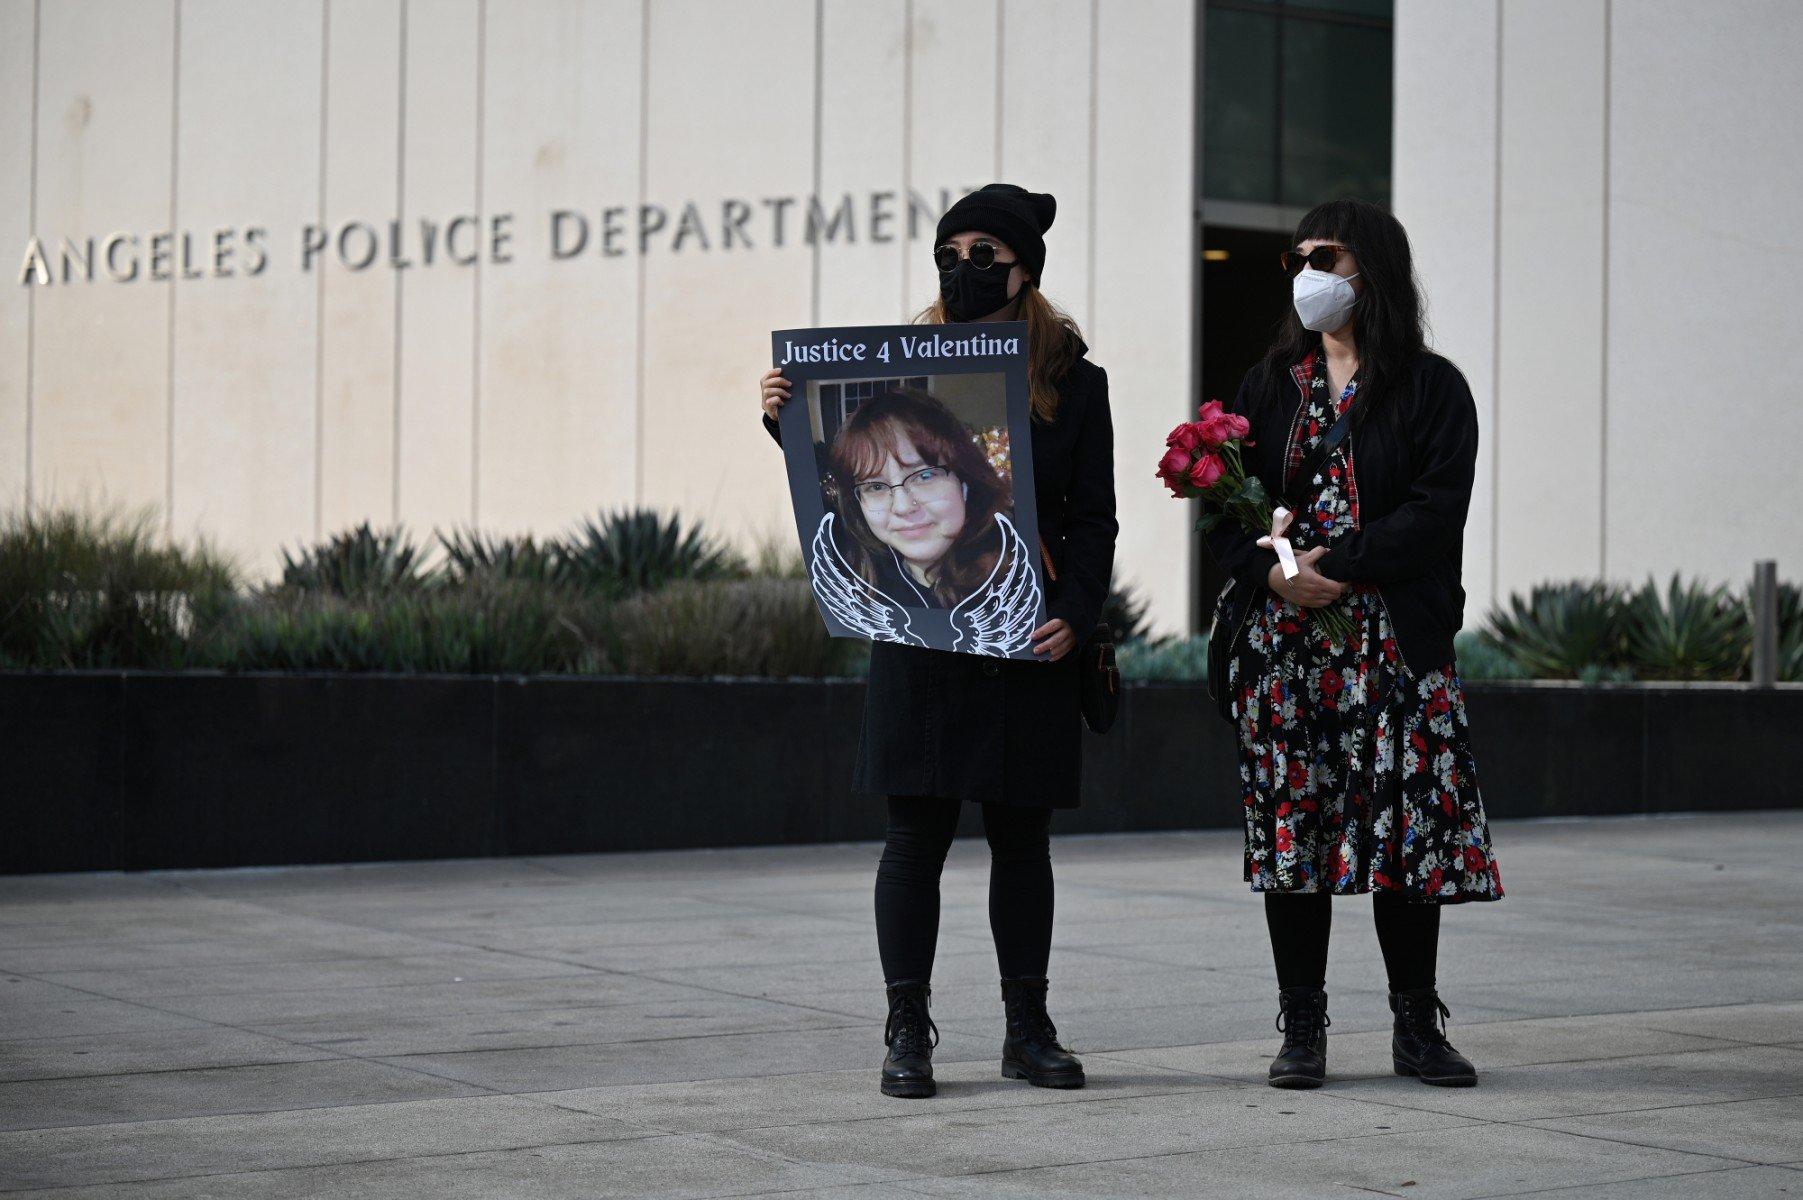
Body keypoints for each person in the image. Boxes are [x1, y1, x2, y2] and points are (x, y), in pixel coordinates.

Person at [758, 183, 1118, 1098]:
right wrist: (785, 423)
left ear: (1023, 267)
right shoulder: (896, 365)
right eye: (950, 250)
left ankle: (1026, 1028)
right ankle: (906, 1030)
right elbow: (851, 486)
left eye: (984, 253)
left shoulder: (1074, 381)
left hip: (1023, 630)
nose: (964, 267)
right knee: (913, 839)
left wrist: (1075, 611)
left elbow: (1093, 516)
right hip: (915, 637)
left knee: (1020, 839)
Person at [1202, 198, 1503, 1090]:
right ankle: (1303, 1029)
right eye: (1296, 257)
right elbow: (1223, 513)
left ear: (1367, 266)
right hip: (1285, 650)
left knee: (1402, 833)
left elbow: (1435, 511)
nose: (1306, 274)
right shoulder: (1267, 387)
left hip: (1392, 644)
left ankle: (1417, 1026)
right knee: (1294, 832)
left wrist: (1338, 563)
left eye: (1323, 256)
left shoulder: (1430, 386)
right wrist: (1271, 578)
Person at [821, 388, 1011, 611]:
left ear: (965, 481)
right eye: (876, 486)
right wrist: (785, 418)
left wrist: (1062, 612)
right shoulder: (863, 580)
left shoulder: (1017, 576)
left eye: (925, 476)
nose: (902, 507)